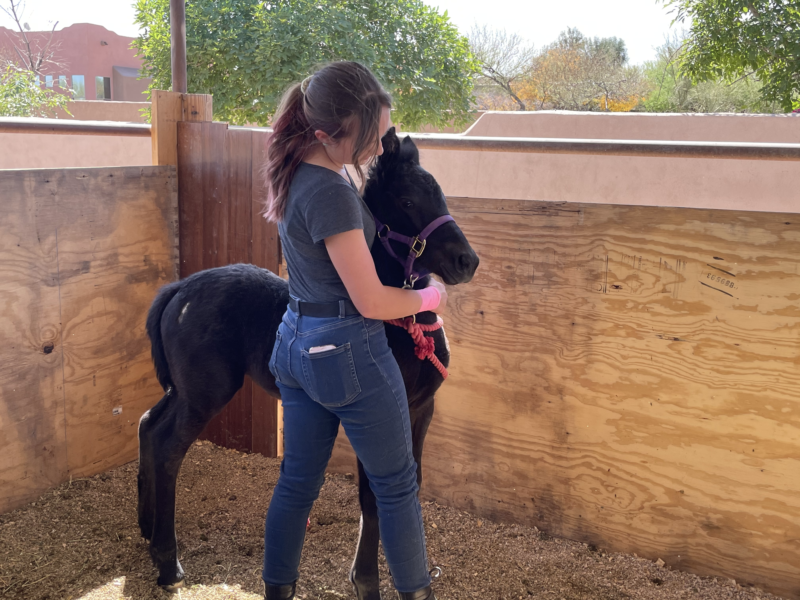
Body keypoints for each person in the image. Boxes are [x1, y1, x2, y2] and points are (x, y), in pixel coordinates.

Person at [261, 61, 446, 600]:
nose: (379, 147)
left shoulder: (299, 169)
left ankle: (278, 592)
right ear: (327, 133)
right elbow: (371, 300)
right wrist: (429, 297)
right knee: (396, 485)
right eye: (372, 137)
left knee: (298, 483)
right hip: (346, 349)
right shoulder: (334, 194)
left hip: (296, 339)